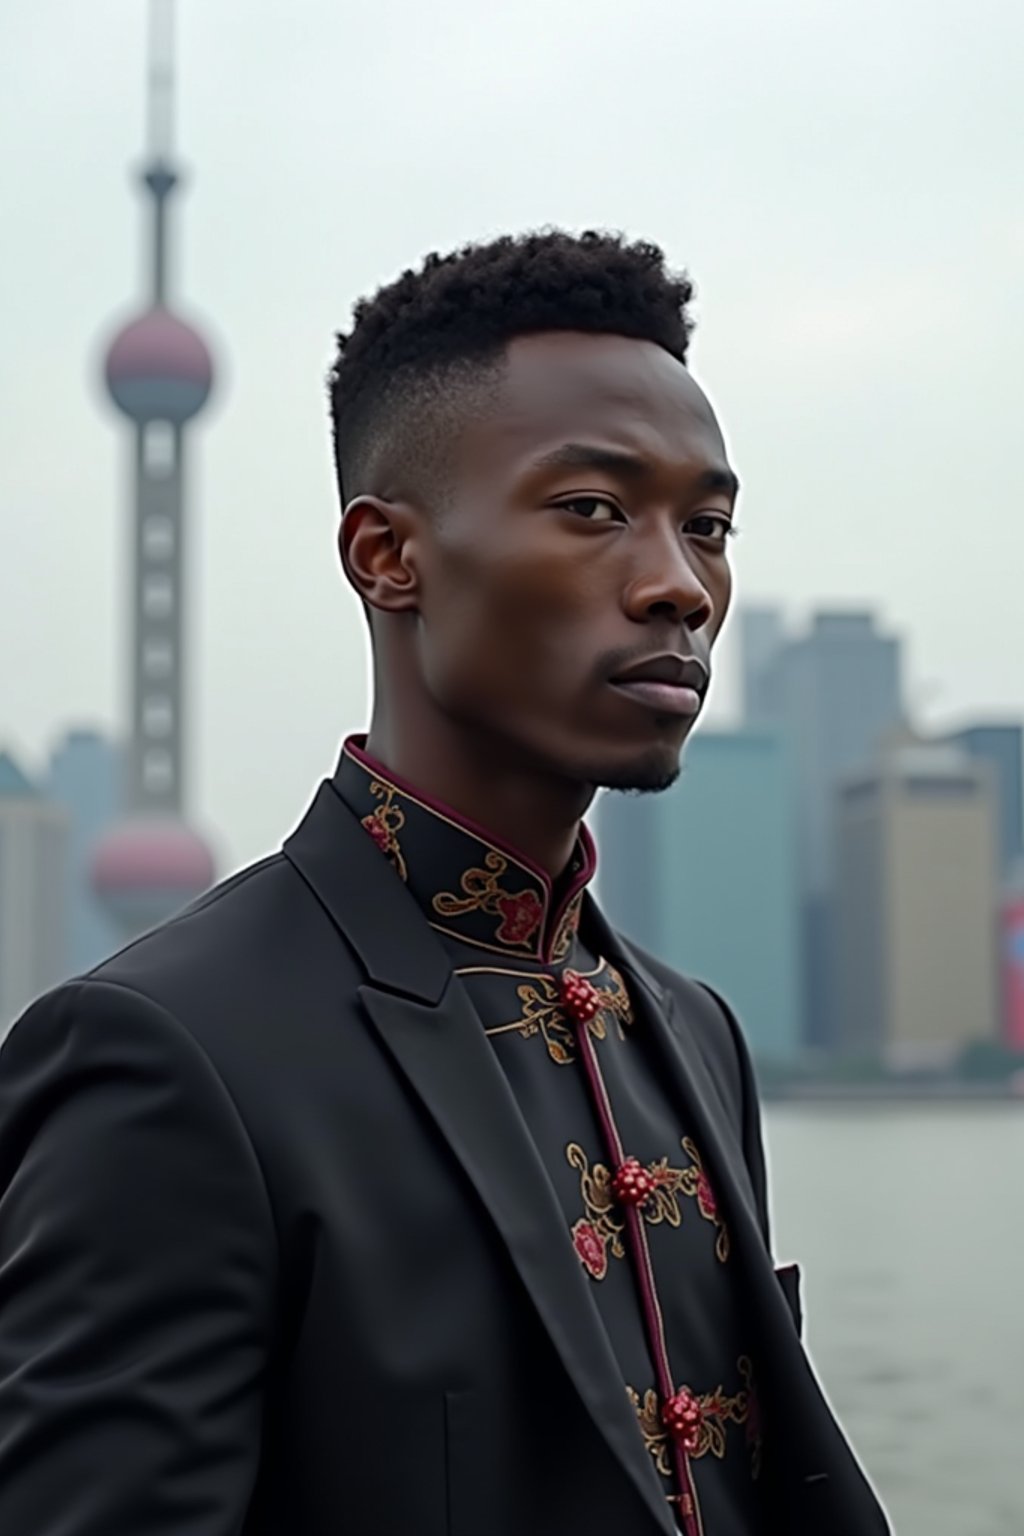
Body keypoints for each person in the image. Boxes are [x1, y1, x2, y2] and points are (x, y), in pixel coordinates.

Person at [0, 230, 890, 1536]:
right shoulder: (171, 1057)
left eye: (706, 526)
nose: (678, 587)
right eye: (593, 510)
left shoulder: (693, 1035)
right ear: (387, 557)